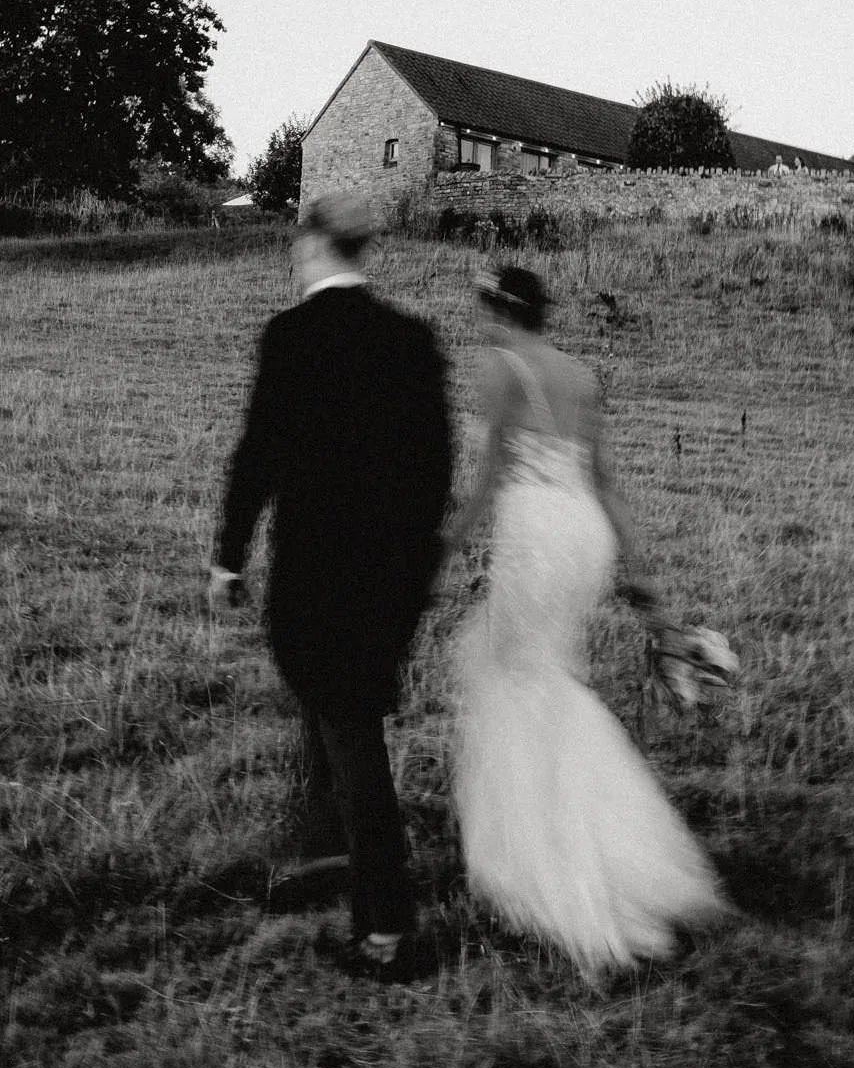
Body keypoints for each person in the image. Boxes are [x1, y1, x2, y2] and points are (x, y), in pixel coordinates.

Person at [446, 264, 733, 977]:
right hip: (584, 534)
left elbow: (488, 476)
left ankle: (550, 867)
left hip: (536, 531)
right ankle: (597, 846)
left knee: (515, 681)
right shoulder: (579, 374)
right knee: (537, 675)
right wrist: (641, 578)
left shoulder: (500, 366)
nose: (482, 321)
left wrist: (443, 547)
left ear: (500, 311)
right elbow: (603, 480)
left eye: (485, 308)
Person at [208, 193, 451, 981]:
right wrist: (417, 573)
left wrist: (228, 557)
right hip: (393, 576)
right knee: (330, 708)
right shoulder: (413, 342)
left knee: (349, 732)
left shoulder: (293, 336)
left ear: (312, 245)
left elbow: (258, 455)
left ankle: (386, 928)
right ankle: (324, 858)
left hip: (316, 575)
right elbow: (435, 473)